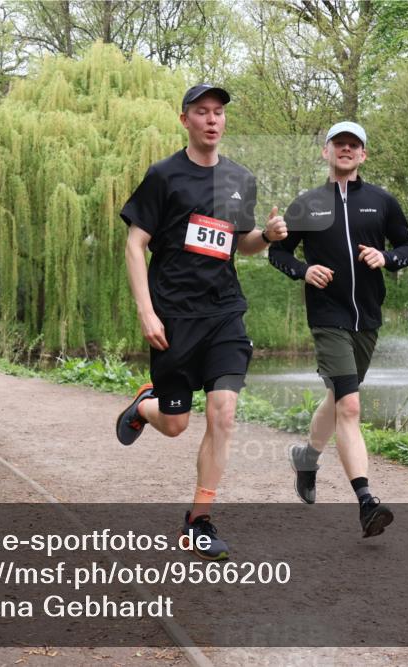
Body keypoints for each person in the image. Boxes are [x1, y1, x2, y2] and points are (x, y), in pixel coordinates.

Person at [116, 83, 288, 561]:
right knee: (174, 425)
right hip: (173, 315)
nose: (212, 120)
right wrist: (146, 311)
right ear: (185, 119)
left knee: (224, 413)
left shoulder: (240, 179)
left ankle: (198, 520)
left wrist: (268, 237)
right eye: (202, 112)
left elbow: (240, 244)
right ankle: (144, 407)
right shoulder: (164, 176)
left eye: (218, 113)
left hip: (224, 312)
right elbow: (135, 245)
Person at [268, 121, 408, 537]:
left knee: (338, 398)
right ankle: (367, 501)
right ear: (327, 152)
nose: (346, 150)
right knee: (350, 407)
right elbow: (277, 253)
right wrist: (303, 269)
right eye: (340, 144)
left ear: (363, 155)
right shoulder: (308, 204)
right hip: (327, 317)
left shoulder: (382, 202)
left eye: (354, 145)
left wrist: (387, 259)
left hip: (368, 318)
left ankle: (306, 457)